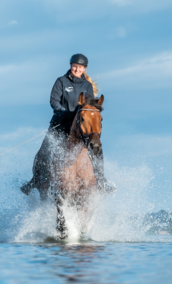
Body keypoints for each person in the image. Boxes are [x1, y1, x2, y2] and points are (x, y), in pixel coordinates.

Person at [21, 53, 115, 195]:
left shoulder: (87, 85)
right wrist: (64, 112)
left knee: (96, 148)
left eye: (80, 67)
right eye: (75, 66)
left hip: (79, 126)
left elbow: (89, 104)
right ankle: (35, 180)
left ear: (84, 69)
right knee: (45, 149)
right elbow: (54, 101)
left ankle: (101, 180)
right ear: (71, 66)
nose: (77, 69)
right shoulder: (61, 82)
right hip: (61, 122)